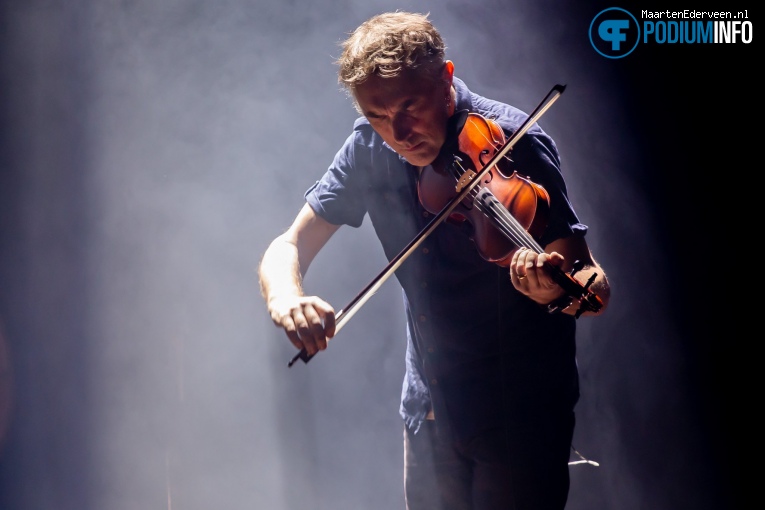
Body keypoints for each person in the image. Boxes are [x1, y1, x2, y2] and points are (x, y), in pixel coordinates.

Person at [258, 11, 610, 510]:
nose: (397, 133)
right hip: (428, 409)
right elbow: (287, 246)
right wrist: (287, 298)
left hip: (517, 412)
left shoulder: (515, 142)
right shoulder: (368, 147)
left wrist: (555, 291)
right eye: (377, 116)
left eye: (410, 107)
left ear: (445, 79)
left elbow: (590, 282)